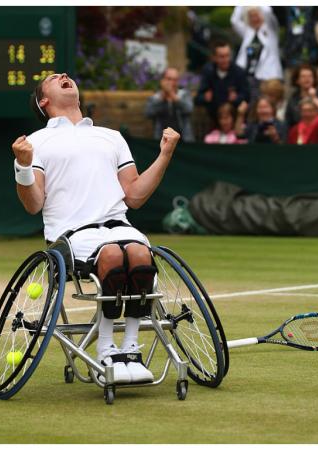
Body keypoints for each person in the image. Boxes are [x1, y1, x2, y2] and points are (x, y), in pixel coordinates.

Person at [16, 72, 181, 384]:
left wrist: (165, 154)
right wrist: (22, 167)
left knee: (139, 254)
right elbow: (33, 203)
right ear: (43, 101)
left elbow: (133, 195)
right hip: (72, 234)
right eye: (54, 78)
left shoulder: (111, 137)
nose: (64, 75)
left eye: (65, 75)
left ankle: (130, 348)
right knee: (113, 257)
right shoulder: (35, 142)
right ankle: (107, 349)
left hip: (120, 226)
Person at [231, 6, 283, 100]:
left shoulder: (271, 29)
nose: (254, 19)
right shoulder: (247, 31)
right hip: (249, 77)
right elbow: (234, 20)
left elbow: (268, 12)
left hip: (269, 77)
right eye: (251, 16)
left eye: (257, 15)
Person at [195, 42, 251, 122]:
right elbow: (198, 98)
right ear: (214, 58)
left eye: (227, 56)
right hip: (213, 116)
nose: (226, 60)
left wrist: (237, 98)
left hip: (233, 116)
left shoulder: (239, 72)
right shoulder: (208, 71)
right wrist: (205, 97)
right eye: (222, 57)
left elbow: (247, 96)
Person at [145, 67, 194, 143]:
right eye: (169, 79)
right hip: (161, 140)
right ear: (162, 80)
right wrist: (163, 97)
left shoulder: (184, 94)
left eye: (175, 80)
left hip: (184, 140)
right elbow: (148, 113)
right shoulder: (155, 97)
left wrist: (172, 95)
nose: (172, 82)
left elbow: (189, 109)